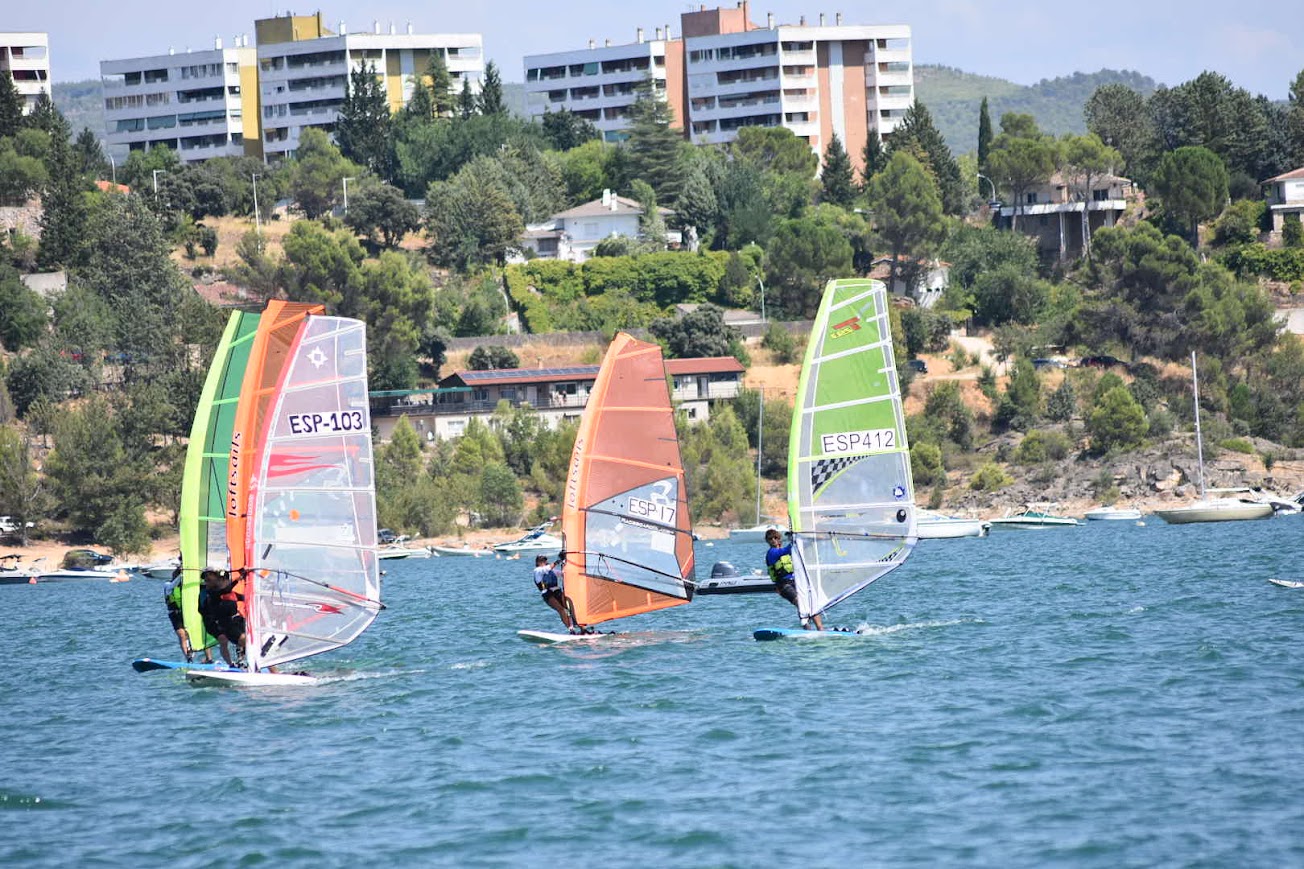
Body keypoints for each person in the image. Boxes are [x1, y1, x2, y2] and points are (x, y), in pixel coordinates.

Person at [764, 528, 824, 631]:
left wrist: (812, 540)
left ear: (779, 539)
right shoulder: (772, 553)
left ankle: (820, 629)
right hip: (783, 585)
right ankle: (807, 629)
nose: (773, 540)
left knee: (811, 603)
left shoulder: (789, 550)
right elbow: (787, 550)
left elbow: (800, 548)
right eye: (770, 539)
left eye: (775, 538)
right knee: (800, 603)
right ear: (768, 541)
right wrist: (795, 539)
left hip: (796, 581)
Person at [198, 569, 246, 666]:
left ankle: (241, 658)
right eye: (206, 579)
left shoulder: (228, 593)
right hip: (213, 622)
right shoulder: (209, 591)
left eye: (209, 577)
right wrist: (238, 578)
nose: (206, 580)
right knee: (223, 639)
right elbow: (224, 590)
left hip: (232, 620)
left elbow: (242, 597)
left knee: (247, 638)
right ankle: (230, 664)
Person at [533, 554, 574, 631]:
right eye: (541, 561)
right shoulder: (537, 571)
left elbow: (562, 574)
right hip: (547, 593)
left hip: (557, 591)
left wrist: (565, 565)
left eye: (545, 560)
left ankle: (581, 628)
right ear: (537, 562)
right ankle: (571, 629)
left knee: (569, 608)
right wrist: (558, 561)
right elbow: (547, 568)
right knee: (561, 609)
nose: (544, 562)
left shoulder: (551, 571)